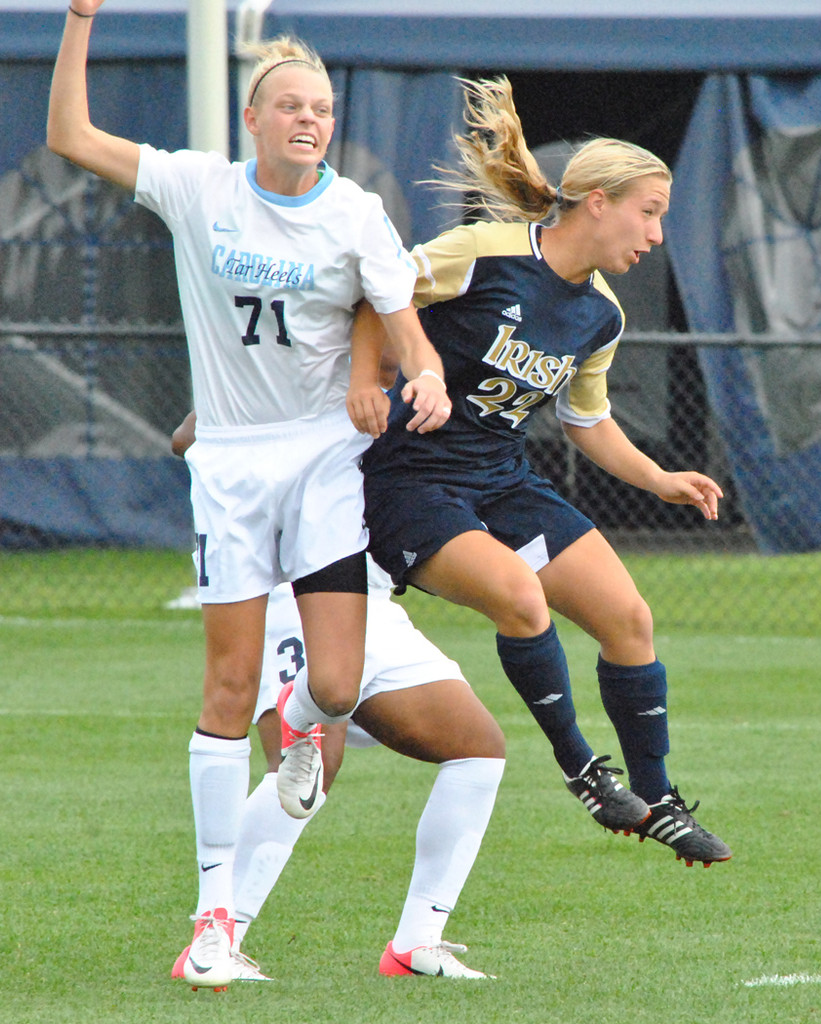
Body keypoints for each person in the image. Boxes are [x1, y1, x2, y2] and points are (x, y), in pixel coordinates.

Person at [47, 6, 451, 991]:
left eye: (322, 107)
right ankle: (212, 922)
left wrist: (424, 375)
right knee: (227, 687)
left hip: (323, 460)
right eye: (291, 105)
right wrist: (78, 19)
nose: (310, 118)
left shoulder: (354, 210)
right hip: (230, 465)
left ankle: (303, 726)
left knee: (341, 688)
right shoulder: (199, 187)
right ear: (256, 118)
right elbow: (70, 135)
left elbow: (402, 319)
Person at [360, 76, 731, 870]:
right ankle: (584, 773)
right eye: (650, 212)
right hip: (409, 482)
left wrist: (661, 477)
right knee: (522, 599)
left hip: (501, 481)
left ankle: (658, 801)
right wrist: (373, 379)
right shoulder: (485, 252)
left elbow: (586, 420)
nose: (656, 236)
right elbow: (376, 294)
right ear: (596, 201)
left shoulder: (602, 313)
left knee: (628, 618)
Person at [172, 408, 505, 985]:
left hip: (370, 595)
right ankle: (216, 938)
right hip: (294, 591)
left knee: (478, 746)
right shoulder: (308, 369)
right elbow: (187, 437)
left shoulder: (418, 373)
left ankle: (417, 943)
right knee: (306, 770)